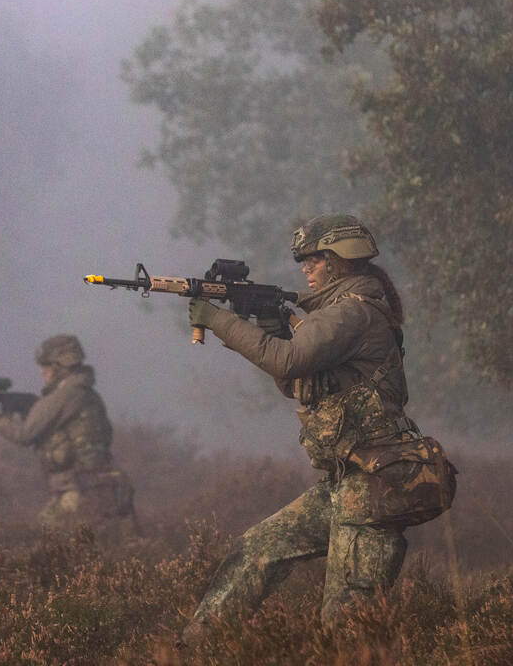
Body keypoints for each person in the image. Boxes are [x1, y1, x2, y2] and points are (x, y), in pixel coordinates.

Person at [181, 214, 455, 642]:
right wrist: (271, 327)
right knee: (256, 550)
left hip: (374, 488)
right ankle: (190, 657)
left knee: (346, 629)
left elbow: (286, 360)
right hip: (349, 482)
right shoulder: (343, 314)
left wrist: (217, 321)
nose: (306, 270)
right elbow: (296, 382)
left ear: (339, 260)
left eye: (314, 260)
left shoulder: (352, 314)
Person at [0, 334, 137, 545]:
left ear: (60, 365)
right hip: (95, 488)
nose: (42, 371)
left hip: (81, 491)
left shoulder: (67, 393)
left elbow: (24, 434)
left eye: (46, 365)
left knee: (44, 551)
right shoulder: (83, 392)